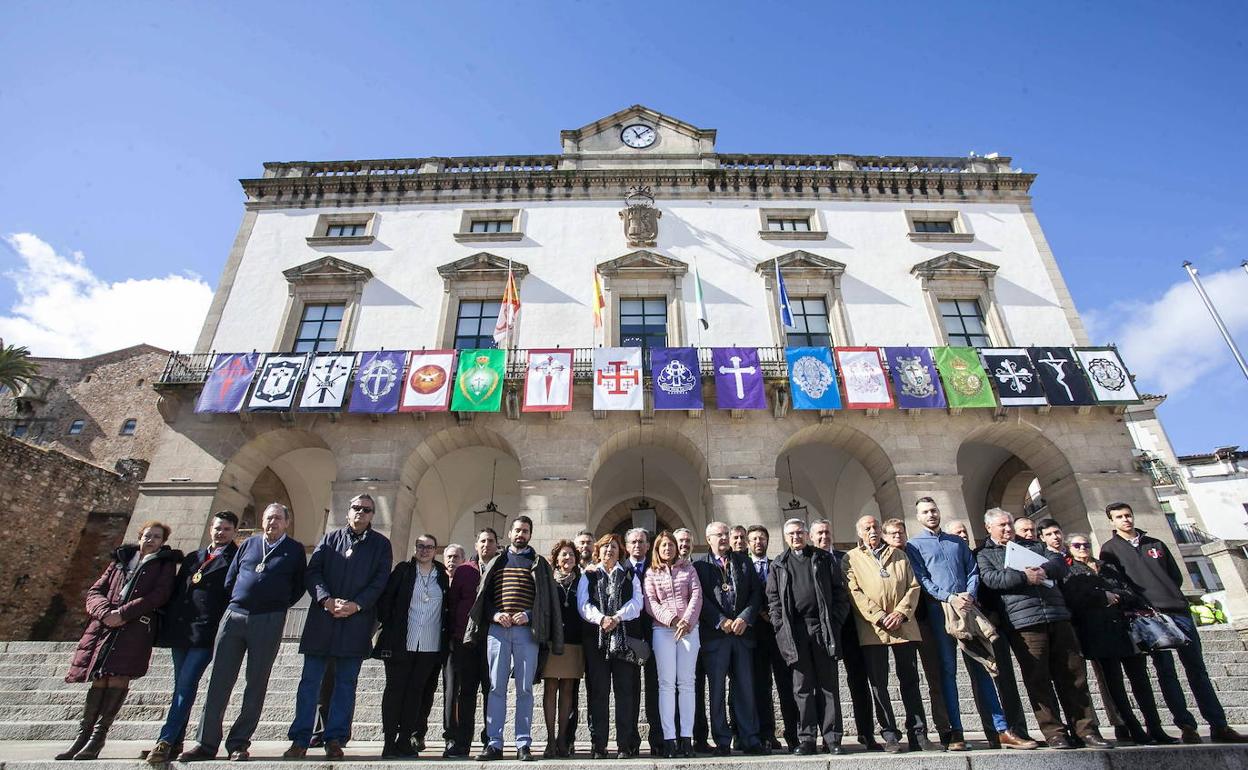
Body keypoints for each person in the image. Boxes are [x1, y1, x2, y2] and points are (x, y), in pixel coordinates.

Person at [1099, 502, 1248, 744]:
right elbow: (1115, 583)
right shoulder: (1110, 550)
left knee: (1197, 670)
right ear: (1111, 521)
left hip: (1178, 611)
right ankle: (1186, 725)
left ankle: (1219, 724)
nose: (1126, 520)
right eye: (1119, 517)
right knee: (1166, 673)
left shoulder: (1155, 544)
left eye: (1128, 515)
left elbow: (1175, 576)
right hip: (1150, 618)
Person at [905, 497, 1035, 751]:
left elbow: (972, 570)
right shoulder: (914, 544)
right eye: (925, 512)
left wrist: (970, 594)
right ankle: (956, 732)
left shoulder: (956, 542)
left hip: (969, 609)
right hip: (940, 611)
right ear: (918, 517)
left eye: (933, 510)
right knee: (947, 672)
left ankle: (1000, 730)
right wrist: (950, 597)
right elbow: (922, 578)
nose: (931, 515)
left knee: (981, 666)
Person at [180, 503, 307, 762]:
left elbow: (298, 586)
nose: (272, 523)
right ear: (263, 520)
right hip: (235, 615)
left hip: (268, 618)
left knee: (256, 682)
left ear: (287, 523)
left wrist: (277, 606)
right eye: (269, 518)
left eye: (277, 519)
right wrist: (238, 600)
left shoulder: (294, 550)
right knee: (218, 680)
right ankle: (206, 742)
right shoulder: (249, 544)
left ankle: (239, 742)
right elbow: (231, 577)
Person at [976, 509, 1107, 750]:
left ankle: (1086, 730)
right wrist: (1024, 577)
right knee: (1038, 679)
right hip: (1023, 622)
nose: (1007, 529)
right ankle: (1054, 732)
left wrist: (1044, 571)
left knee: (1074, 675)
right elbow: (991, 580)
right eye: (1002, 525)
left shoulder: (1034, 546)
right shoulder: (984, 553)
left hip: (1057, 614)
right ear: (989, 528)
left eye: (1009, 524)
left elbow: (1059, 563)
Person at [58, 521, 180, 761]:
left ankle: (98, 737)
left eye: (157, 537)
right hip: (105, 626)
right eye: (148, 535)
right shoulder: (120, 561)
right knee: (100, 679)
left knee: (118, 677)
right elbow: (95, 591)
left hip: (135, 626)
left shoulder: (164, 565)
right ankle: (83, 737)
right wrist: (105, 613)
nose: (151, 540)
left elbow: (160, 595)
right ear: (140, 536)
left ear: (163, 542)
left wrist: (123, 614)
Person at [283, 494, 392, 759]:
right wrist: (325, 600)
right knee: (310, 682)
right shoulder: (330, 539)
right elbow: (314, 571)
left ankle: (335, 738)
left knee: (346, 683)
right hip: (323, 619)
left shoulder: (381, 544)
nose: (360, 513)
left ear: (372, 515)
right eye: (356, 508)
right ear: (348, 512)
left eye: (366, 510)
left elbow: (380, 581)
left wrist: (357, 605)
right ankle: (301, 738)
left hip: (356, 621)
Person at [1062, 530, 1174, 745]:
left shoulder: (1108, 567)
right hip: (1098, 633)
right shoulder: (1069, 571)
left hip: (1126, 631)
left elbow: (1130, 592)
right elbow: (1074, 599)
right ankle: (1132, 728)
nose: (1083, 548)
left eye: (1085, 544)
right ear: (1069, 549)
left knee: (1141, 681)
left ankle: (1155, 727)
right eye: (1077, 545)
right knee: (1115, 686)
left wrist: (1117, 597)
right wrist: (1102, 596)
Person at [466, 515, 564, 761]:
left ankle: (523, 744)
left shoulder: (539, 563)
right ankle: (494, 743)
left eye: (526, 531)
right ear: (509, 533)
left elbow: (545, 600)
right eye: (517, 530)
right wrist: (496, 614)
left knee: (524, 689)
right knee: (496, 687)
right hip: (497, 631)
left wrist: (529, 615)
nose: (521, 534)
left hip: (526, 632)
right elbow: (483, 599)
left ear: (530, 534)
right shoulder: (496, 561)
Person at [145, 512, 239, 764]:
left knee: (186, 685)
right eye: (218, 528)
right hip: (182, 630)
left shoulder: (235, 559)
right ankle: (175, 741)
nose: (221, 533)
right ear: (211, 528)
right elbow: (177, 590)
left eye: (227, 529)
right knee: (181, 685)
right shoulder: (193, 558)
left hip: (206, 632)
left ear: (234, 533)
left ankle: (164, 740)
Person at [844, 516, 934, 753]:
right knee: (879, 684)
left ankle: (918, 732)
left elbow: (914, 586)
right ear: (859, 533)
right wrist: (880, 616)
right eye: (867, 528)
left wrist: (901, 613)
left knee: (911, 681)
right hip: (873, 629)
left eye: (875, 527)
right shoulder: (851, 558)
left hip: (903, 626)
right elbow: (854, 592)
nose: (872, 531)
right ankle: (890, 733)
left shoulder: (899, 555)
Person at [766, 518, 850, 755]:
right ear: (785, 537)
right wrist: (780, 626)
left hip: (822, 628)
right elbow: (773, 601)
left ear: (806, 534)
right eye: (791, 534)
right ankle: (807, 738)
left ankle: (832, 738)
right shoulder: (779, 564)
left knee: (828, 686)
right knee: (801, 688)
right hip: (795, 632)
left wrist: (834, 621)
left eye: (800, 532)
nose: (796, 537)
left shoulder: (823, 559)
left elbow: (839, 593)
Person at [695, 521, 767, 755]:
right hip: (715, 636)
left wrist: (745, 618)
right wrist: (720, 620)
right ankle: (722, 740)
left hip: (742, 635)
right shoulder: (700, 567)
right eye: (719, 535)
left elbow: (756, 594)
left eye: (727, 534)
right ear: (709, 539)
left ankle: (749, 738)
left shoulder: (743, 562)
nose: (725, 538)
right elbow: (699, 599)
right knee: (716, 691)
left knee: (745, 688)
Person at [373, 533, 448, 757]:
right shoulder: (403, 571)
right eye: (420, 546)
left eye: (429, 547)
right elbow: (385, 601)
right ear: (415, 548)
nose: (424, 550)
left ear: (436, 550)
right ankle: (389, 741)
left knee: (416, 693)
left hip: (429, 644)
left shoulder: (442, 575)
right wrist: (392, 625)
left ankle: (405, 739)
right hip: (401, 643)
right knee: (395, 691)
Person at [810, 518, 878, 750]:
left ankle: (866, 733)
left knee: (859, 680)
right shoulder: (807, 560)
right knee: (825, 685)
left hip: (851, 628)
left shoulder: (847, 558)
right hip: (822, 631)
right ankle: (830, 737)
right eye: (819, 533)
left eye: (827, 532)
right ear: (812, 537)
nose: (823, 537)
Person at [881, 519, 950, 746]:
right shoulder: (884, 560)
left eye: (900, 533)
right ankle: (915, 730)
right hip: (899, 625)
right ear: (885, 537)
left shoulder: (916, 553)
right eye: (892, 534)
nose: (897, 537)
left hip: (925, 622)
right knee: (908, 677)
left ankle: (944, 728)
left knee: (935, 677)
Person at [578, 533, 645, 758]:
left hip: (624, 640)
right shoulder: (588, 575)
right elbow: (583, 603)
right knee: (598, 692)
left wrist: (617, 616)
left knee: (625, 692)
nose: (609, 551)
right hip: (596, 640)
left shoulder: (629, 575)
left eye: (614, 547)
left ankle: (624, 745)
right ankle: (599, 744)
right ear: (598, 551)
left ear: (620, 551)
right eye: (605, 547)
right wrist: (601, 619)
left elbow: (638, 602)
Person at [644, 529, 703, 758]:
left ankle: (686, 738)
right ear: (657, 550)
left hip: (688, 630)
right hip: (663, 630)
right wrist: (672, 620)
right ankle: (670, 739)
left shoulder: (689, 569)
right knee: (666, 684)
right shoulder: (651, 573)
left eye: (671, 545)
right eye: (663, 546)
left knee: (687, 683)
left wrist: (686, 621)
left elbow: (696, 596)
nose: (668, 549)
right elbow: (651, 603)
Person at [444, 528, 498, 757]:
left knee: (490, 691)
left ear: (497, 545)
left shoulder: (501, 568)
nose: (486, 544)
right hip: (464, 640)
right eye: (482, 541)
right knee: (465, 692)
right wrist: (455, 633)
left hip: (493, 639)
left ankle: (490, 740)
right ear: (476, 545)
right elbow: (453, 602)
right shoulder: (464, 570)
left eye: (491, 541)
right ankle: (462, 741)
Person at [746, 524, 798, 751]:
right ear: (748, 544)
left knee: (786, 684)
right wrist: (759, 612)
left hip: (779, 633)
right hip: (755, 633)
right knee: (761, 685)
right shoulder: (744, 566)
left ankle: (793, 732)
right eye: (754, 539)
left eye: (762, 538)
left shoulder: (777, 565)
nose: (759, 542)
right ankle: (767, 733)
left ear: (768, 541)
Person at [623, 527, 663, 757]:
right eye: (633, 542)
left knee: (655, 689)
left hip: (656, 633)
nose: (637, 545)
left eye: (642, 542)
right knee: (629, 690)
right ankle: (630, 741)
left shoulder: (657, 568)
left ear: (649, 546)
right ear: (627, 546)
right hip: (629, 636)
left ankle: (657, 739)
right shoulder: (620, 569)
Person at [543, 539, 584, 758]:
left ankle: (562, 739)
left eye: (570, 554)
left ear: (576, 559)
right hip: (553, 642)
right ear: (556, 559)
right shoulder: (549, 580)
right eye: (563, 554)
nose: (567, 558)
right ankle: (549, 739)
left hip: (575, 641)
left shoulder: (583, 581)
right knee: (550, 689)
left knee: (568, 690)